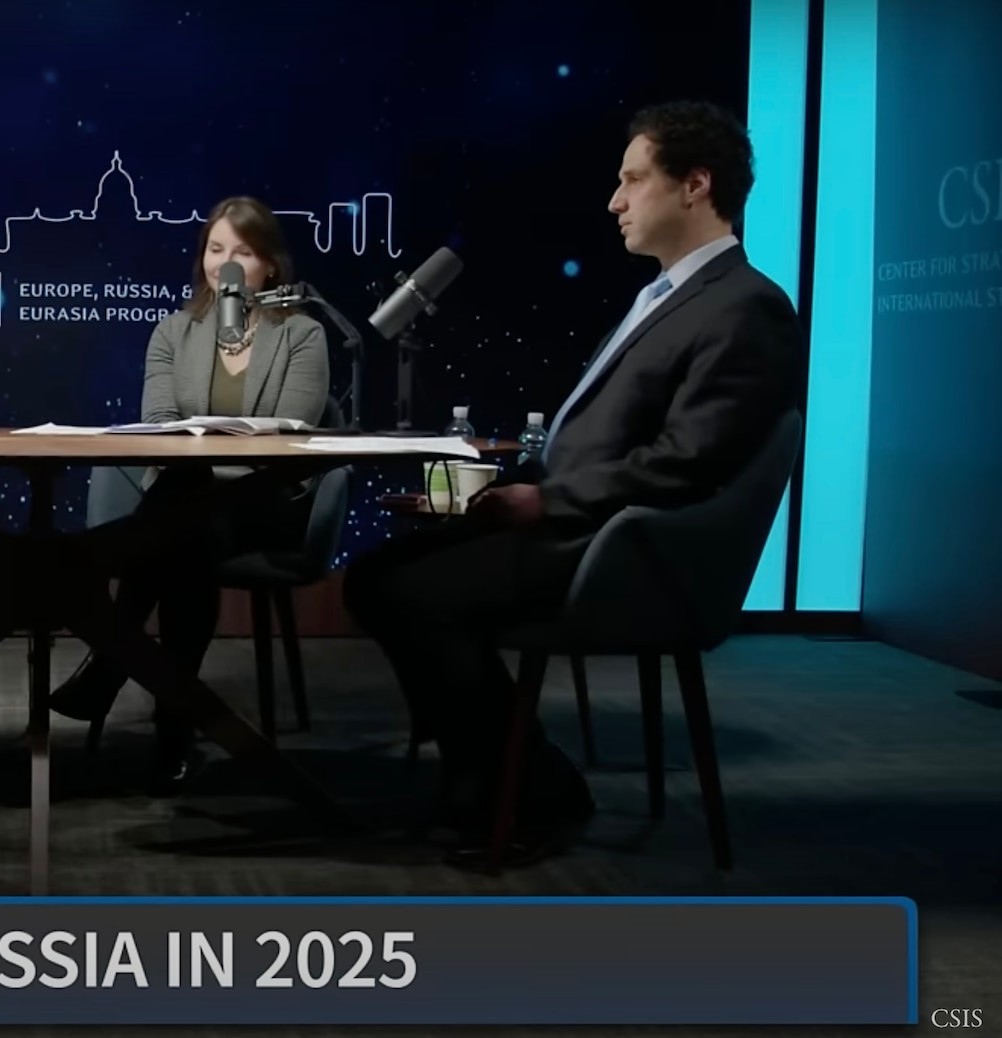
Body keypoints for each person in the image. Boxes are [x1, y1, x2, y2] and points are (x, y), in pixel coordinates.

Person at [342, 101, 804, 869]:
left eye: (632, 180)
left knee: (410, 592)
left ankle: (531, 787)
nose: (615, 201)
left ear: (695, 185)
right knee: (380, 575)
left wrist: (543, 501)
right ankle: (491, 774)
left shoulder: (745, 306)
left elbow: (688, 462)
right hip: (575, 524)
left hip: (619, 549)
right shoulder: (665, 296)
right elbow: (590, 443)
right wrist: (491, 492)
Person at [47, 197, 331, 792]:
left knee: (176, 523)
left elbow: (296, 428)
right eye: (215, 249)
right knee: (185, 536)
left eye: (242, 253)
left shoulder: (302, 333)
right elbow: (158, 422)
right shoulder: (175, 330)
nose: (224, 264)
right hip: (189, 508)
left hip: (265, 504)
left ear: (270, 266)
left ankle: (112, 660)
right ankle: (172, 728)